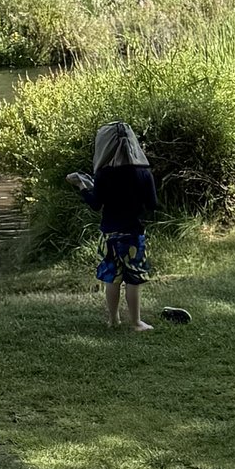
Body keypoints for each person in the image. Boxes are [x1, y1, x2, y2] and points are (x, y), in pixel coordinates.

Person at [68, 117, 159, 332]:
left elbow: (95, 204)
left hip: (108, 234)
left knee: (112, 277)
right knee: (133, 279)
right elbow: (152, 204)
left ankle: (113, 319)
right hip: (133, 234)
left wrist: (82, 186)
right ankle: (136, 322)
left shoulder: (103, 175)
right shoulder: (143, 172)